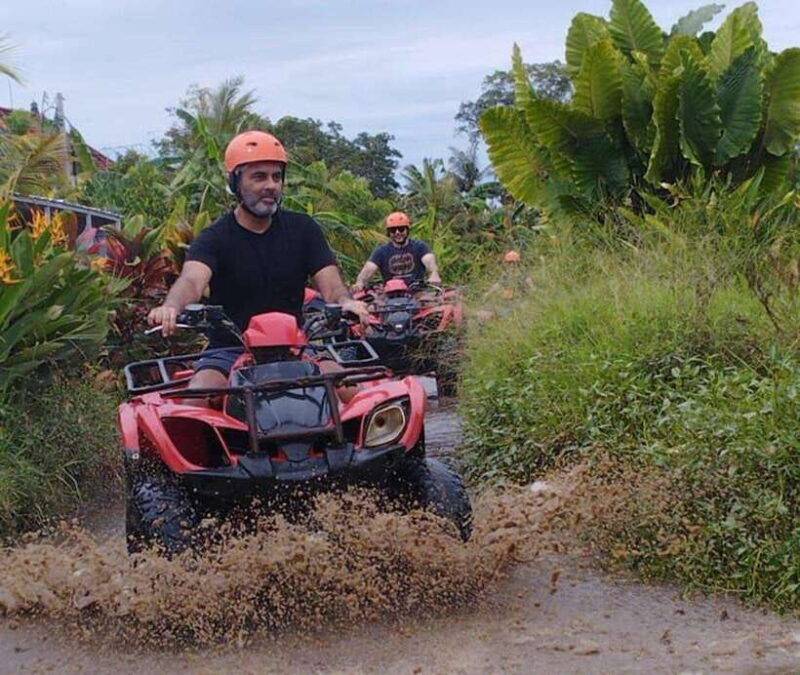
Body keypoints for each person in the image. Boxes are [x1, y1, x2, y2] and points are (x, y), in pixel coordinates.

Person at [147, 130, 369, 393]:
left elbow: (331, 285)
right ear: (235, 183)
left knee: (350, 391)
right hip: (229, 350)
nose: (271, 185)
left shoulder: (303, 229)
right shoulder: (214, 238)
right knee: (199, 394)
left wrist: (345, 302)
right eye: (259, 176)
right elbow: (191, 281)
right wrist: (171, 307)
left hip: (295, 346)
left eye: (277, 176)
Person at [352, 211, 441, 291]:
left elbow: (429, 261)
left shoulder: (420, 246)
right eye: (393, 230)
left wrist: (434, 274)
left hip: (416, 291)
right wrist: (360, 282)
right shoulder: (381, 251)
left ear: (407, 230)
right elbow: (369, 269)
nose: (397, 233)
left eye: (401, 229)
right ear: (389, 233)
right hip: (390, 294)